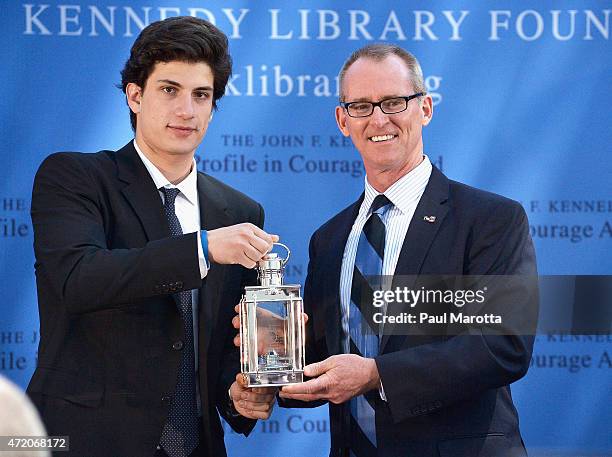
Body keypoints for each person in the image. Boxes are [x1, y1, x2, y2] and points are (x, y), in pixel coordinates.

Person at [27, 17, 276, 457]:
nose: (187, 110)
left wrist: (237, 393)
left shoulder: (238, 212)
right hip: (83, 442)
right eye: (169, 90)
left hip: (197, 446)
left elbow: (213, 344)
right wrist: (201, 249)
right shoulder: (75, 177)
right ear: (135, 96)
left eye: (202, 95)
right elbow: (79, 279)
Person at [279, 44, 538, 457]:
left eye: (394, 102)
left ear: (425, 109)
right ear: (343, 120)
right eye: (361, 106)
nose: (379, 119)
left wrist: (376, 374)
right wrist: (271, 363)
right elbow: (323, 356)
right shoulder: (328, 239)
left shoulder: (491, 220)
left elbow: (502, 346)